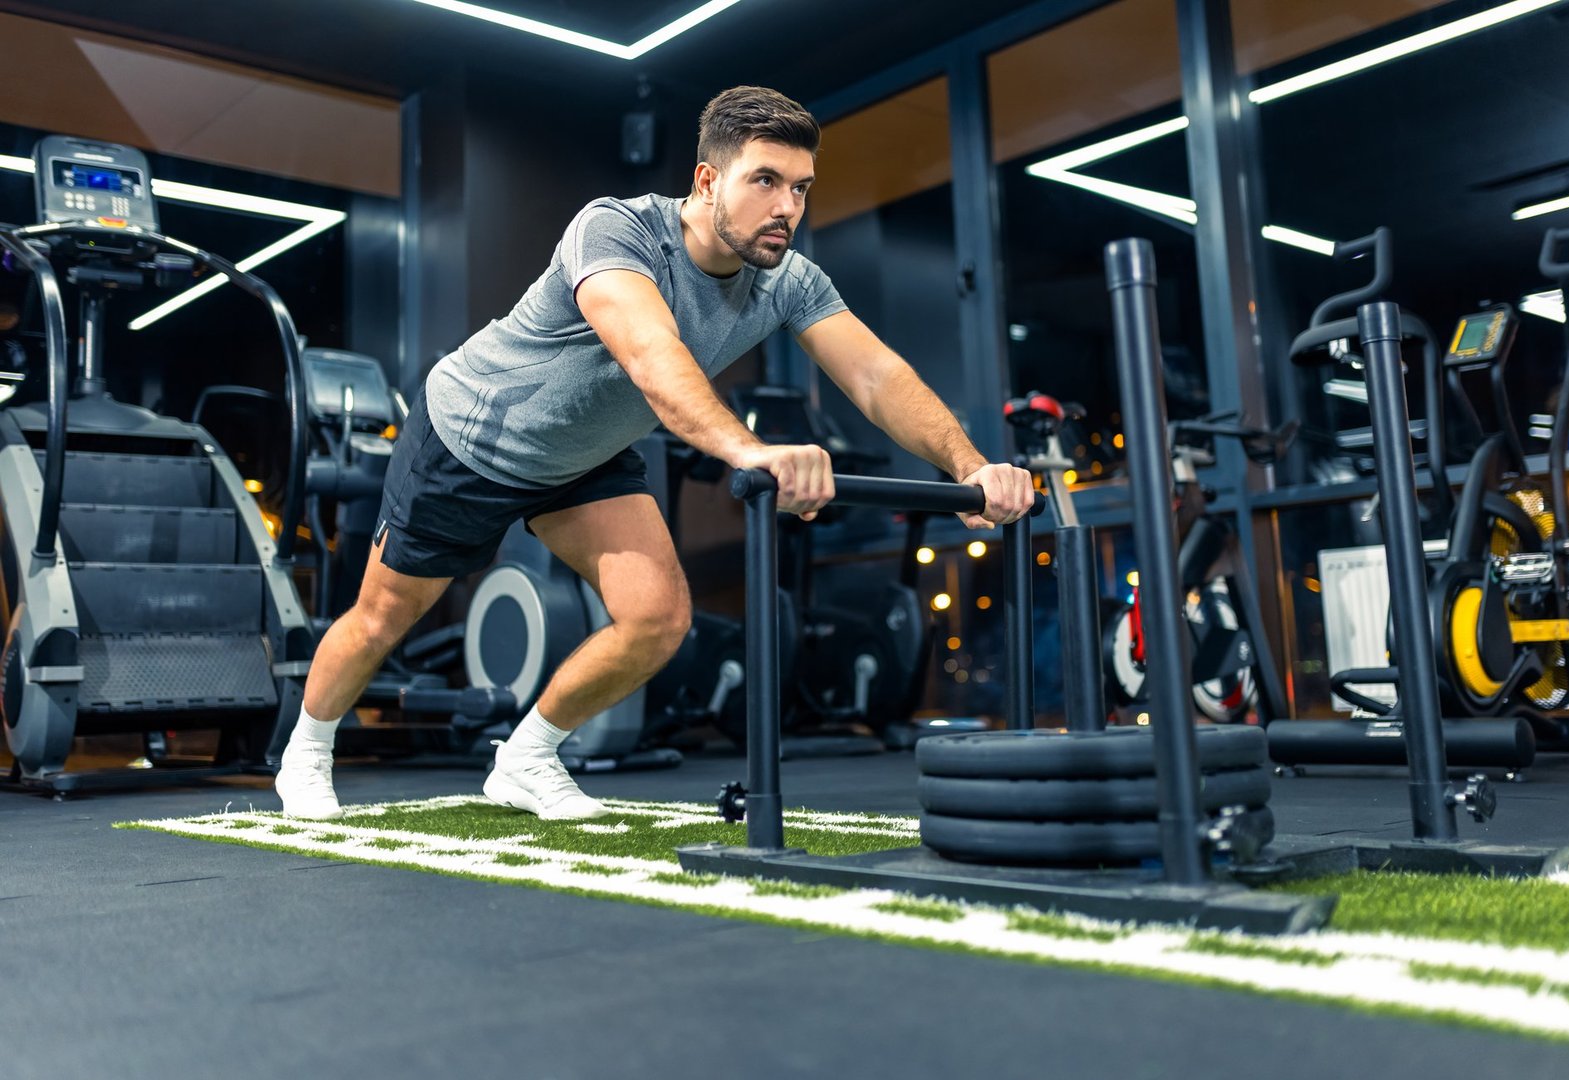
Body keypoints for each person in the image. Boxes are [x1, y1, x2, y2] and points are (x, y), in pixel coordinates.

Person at [275, 86, 1033, 821]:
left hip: (584, 459)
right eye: (764, 181)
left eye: (800, 188)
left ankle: (526, 758)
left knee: (658, 618)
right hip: (471, 435)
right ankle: (305, 754)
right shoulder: (616, 230)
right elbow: (649, 353)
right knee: (382, 619)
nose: (786, 208)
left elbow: (875, 375)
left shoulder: (788, 280)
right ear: (706, 180)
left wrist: (969, 465)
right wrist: (748, 450)